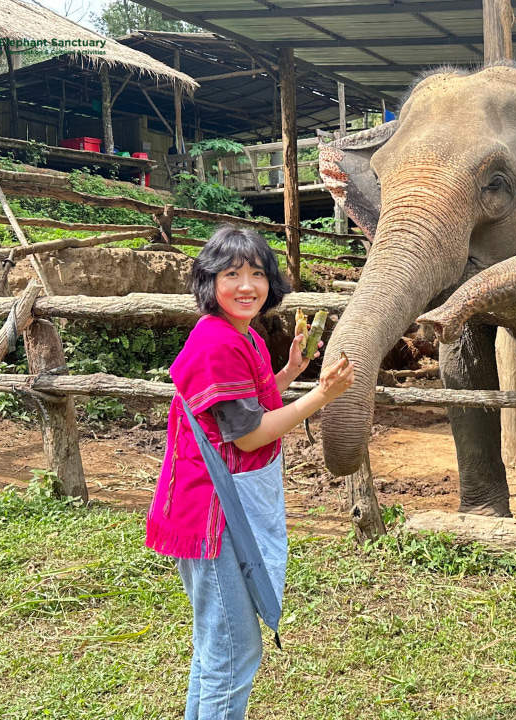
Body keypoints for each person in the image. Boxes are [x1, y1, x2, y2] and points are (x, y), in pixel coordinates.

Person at [145, 225, 354, 720]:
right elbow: (249, 434)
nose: (247, 285)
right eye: (232, 273)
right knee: (234, 652)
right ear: (209, 282)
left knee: (217, 647)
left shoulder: (241, 335)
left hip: (217, 504)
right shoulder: (219, 342)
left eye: (257, 273)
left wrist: (289, 373)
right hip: (214, 516)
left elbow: (245, 404)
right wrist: (320, 397)